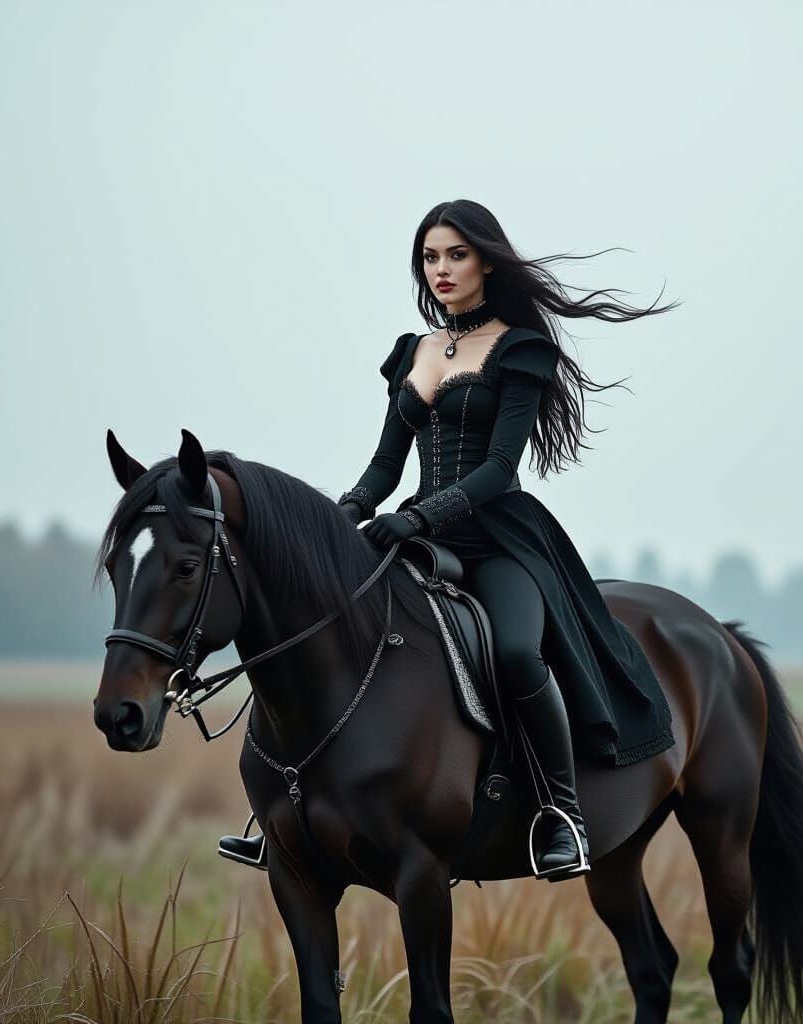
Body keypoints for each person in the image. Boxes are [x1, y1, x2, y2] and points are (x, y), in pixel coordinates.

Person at [219, 199, 680, 882]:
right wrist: (341, 516)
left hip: (500, 539)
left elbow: (498, 469)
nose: (441, 269)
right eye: (430, 257)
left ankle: (562, 816)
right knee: (328, 627)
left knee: (520, 655)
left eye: (455, 255)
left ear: (487, 261)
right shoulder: (413, 352)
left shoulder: (521, 350)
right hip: (414, 533)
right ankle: (288, 809)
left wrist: (421, 517)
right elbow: (384, 465)